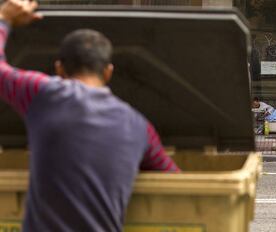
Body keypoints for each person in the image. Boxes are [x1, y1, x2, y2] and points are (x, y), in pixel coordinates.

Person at [0, 0, 180, 231]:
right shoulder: (138, 126)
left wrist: (4, 17)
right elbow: (174, 178)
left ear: (59, 69)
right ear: (108, 72)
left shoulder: (43, 93)